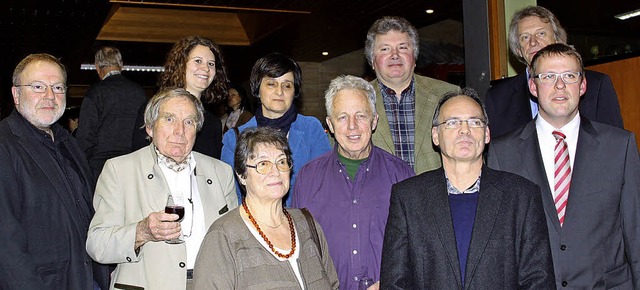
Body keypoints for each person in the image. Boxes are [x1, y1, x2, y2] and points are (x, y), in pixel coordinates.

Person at [488, 43, 639, 289]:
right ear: (533, 86)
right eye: (548, 76)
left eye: (569, 76)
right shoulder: (502, 152)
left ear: (582, 85)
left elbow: (636, 231)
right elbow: (500, 241)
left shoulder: (620, 146)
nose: (560, 85)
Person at [381, 88, 555, 289]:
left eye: (474, 122)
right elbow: (395, 283)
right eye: (453, 122)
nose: (465, 130)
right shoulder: (408, 198)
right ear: (435, 136)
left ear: (487, 134)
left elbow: (538, 281)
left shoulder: (522, 196)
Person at [86, 88, 238, 290]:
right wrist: (141, 232)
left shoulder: (221, 173)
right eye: (169, 119)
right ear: (150, 127)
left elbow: (234, 240)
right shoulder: (119, 170)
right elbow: (97, 245)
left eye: (189, 122)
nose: (179, 130)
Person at [292, 75, 414, 290]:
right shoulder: (307, 178)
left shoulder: (402, 176)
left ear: (374, 120)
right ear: (329, 124)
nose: (352, 126)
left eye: (361, 116)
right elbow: (297, 249)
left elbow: (417, 248)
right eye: (342, 117)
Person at [0, 53, 108, 289]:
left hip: (87, 280)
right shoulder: (4, 145)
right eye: (38, 86)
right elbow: (5, 241)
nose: (50, 96)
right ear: (16, 94)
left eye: (58, 87)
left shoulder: (69, 143)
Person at [194, 126, 339, 289]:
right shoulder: (223, 237)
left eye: (282, 162)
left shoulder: (306, 223)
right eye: (263, 164)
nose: (275, 171)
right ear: (242, 175)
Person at [485, 6, 623, 138]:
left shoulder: (597, 86)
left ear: (557, 39)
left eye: (541, 33)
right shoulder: (498, 98)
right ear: (519, 49)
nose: (533, 42)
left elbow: (615, 146)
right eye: (525, 37)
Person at [221, 52, 331, 206]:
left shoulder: (311, 128)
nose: (279, 92)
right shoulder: (234, 138)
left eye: (287, 85)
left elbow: (325, 184)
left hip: (304, 223)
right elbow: (233, 197)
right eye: (271, 84)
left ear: (294, 92)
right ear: (257, 89)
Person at [365, 16, 459, 174]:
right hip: (379, 197)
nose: (395, 55)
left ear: (414, 57)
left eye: (402, 48)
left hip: (436, 195)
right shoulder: (356, 100)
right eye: (385, 49)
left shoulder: (451, 96)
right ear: (372, 61)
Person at [132, 36, 228, 159]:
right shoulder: (154, 109)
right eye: (198, 61)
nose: (205, 68)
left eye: (211, 64)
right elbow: (138, 158)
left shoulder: (213, 123)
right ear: (181, 64)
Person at [76, 46, 147, 179]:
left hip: (101, 166)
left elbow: (85, 137)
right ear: (121, 65)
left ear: (97, 67)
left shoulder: (95, 93)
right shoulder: (139, 93)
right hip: (132, 165)